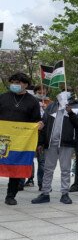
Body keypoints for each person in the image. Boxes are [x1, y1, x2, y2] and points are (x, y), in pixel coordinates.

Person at [32, 89, 78, 204]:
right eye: (61, 92)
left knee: (65, 169)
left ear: (70, 95)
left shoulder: (77, 107)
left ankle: (65, 194)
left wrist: (71, 113)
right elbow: (44, 124)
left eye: (66, 92)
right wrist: (41, 142)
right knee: (48, 169)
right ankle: (45, 193)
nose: (63, 94)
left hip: (67, 143)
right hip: (50, 143)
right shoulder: (51, 106)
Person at [0, 72, 42, 205]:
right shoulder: (2, 97)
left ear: (25, 84)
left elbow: (36, 120)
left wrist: (39, 125)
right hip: (2, 138)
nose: (14, 85)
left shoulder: (33, 101)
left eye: (17, 83)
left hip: (20, 141)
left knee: (16, 166)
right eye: (12, 82)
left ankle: (11, 195)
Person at [26, 84, 52, 190]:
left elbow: (52, 119)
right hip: (30, 135)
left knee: (42, 161)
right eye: (39, 93)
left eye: (44, 93)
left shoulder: (50, 104)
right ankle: (28, 179)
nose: (42, 95)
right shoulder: (30, 102)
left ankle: (42, 184)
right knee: (28, 159)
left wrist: (46, 111)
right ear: (35, 92)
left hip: (43, 137)